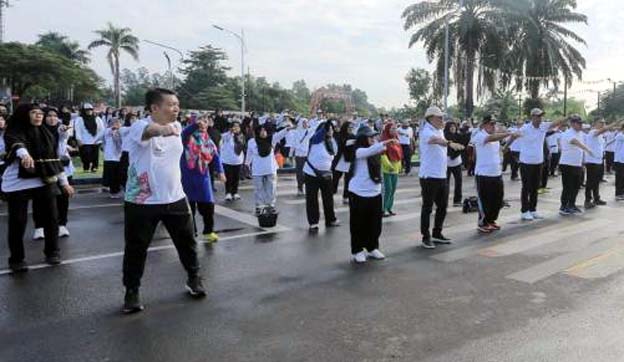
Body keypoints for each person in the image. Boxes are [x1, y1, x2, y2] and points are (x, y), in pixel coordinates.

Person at [122, 88, 206, 314]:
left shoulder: (177, 127)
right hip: (141, 201)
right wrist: (162, 129)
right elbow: (151, 131)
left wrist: (172, 128)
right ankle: (132, 291)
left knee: (187, 243)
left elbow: (172, 130)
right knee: (136, 248)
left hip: (175, 197)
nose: (176, 108)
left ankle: (194, 278)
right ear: (154, 108)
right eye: (171, 104)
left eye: (177, 104)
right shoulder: (138, 126)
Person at [3, 104, 75, 272]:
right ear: (24, 115)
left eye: (40, 113)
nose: (39, 116)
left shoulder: (46, 133)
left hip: (44, 179)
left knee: (52, 217)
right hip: (19, 182)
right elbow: (17, 143)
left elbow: (53, 159)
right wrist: (24, 154)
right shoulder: (14, 131)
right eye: (34, 113)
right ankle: (17, 259)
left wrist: (64, 183)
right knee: (18, 221)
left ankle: (53, 252)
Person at [418, 106, 464, 249]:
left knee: (443, 206)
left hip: (441, 175)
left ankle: (437, 233)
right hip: (429, 176)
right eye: (440, 117)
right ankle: (426, 237)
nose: (442, 120)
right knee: (427, 207)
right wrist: (450, 143)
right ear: (431, 118)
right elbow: (434, 140)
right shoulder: (426, 131)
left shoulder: (439, 130)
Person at [348, 125, 395, 263]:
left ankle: (372, 247)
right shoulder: (358, 150)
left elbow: (381, 150)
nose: (373, 138)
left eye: (373, 136)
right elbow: (370, 150)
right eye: (370, 136)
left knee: (375, 224)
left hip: (374, 192)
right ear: (363, 138)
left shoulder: (374, 149)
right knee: (358, 224)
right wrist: (383, 142)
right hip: (358, 193)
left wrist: (383, 144)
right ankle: (357, 250)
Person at [32, 108, 76, 240]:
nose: (52, 118)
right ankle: (39, 227)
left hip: (63, 168)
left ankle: (62, 224)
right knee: (40, 198)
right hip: (44, 169)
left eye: (55, 116)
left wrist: (64, 132)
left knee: (63, 197)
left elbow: (63, 139)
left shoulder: (60, 129)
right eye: (49, 116)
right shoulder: (37, 131)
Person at [181, 115, 226, 243]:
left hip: (203, 178)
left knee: (208, 206)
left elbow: (216, 156)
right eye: (200, 122)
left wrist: (220, 171)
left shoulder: (208, 140)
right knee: (189, 209)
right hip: (187, 178)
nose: (203, 124)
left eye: (205, 122)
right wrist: (195, 124)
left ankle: (208, 231)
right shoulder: (186, 138)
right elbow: (186, 132)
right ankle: (191, 233)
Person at [513, 109, 562, 221]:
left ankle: (533, 210)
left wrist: (568, 118)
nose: (540, 118)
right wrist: (506, 147)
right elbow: (513, 136)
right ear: (532, 117)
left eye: (541, 116)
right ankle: (524, 211)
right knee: (526, 187)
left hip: (538, 162)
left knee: (535, 187)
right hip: (526, 162)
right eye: (538, 116)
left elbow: (556, 123)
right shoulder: (525, 128)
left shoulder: (543, 127)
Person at [473, 115, 518, 233]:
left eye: (494, 124)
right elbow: (491, 138)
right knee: (485, 200)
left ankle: (491, 220)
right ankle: (483, 222)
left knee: (497, 199)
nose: (493, 126)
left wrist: (512, 138)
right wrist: (508, 133)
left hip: (496, 172)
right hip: (483, 174)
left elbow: (503, 149)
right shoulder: (480, 136)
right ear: (484, 125)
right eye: (491, 124)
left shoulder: (496, 139)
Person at [246, 122, 291, 215]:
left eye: (265, 130)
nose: (263, 132)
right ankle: (259, 206)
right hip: (257, 170)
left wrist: (287, 129)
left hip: (270, 168)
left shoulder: (271, 139)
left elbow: (279, 135)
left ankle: (270, 205)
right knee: (259, 189)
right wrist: (246, 164)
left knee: (271, 188)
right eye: (261, 130)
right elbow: (249, 154)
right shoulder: (252, 142)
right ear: (257, 132)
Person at [303, 121, 340, 230]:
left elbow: (334, 153)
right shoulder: (315, 139)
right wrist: (328, 123)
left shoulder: (332, 142)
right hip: (311, 174)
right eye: (329, 129)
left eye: (332, 129)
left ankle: (331, 219)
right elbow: (321, 132)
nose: (331, 131)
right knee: (312, 199)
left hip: (326, 174)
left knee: (328, 198)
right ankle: (313, 222)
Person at [558, 115, 594, 215]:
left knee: (576, 186)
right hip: (567, 164)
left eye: (581, 123)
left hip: (577, 164)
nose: (581, 125)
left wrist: (582, 162)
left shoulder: (580, 133)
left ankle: (572, 205)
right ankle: (563, 206)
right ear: (573, 124)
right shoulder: (568, 133)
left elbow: (579, 149)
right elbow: (575, 142)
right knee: (568, 186)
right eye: (579, 123)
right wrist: (587, 149)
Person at [583, 118, 615, 209]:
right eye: (601, 122)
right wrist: (615, 123)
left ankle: (596, 198)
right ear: (595, 123)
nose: (603, 124)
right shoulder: (592, 132)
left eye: (604, 122)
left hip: (598, 161)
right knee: (590, 181)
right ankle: (587, 200)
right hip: (591, 161)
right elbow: (604, 129)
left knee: (596, 181)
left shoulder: (601, 135)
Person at [74, 103, 105, 173]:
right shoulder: (80, 119)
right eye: (87, 110)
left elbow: (102, 129)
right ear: (84, 111)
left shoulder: (97, 118)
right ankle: (86, 167)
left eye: (91, 110)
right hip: (84, 140)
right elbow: (77, 130)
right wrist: (78, 139)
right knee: (86, 154)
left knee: (95, 155)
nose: (89, 111)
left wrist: (99, 138)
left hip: (96, 140)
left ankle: (95, 167)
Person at [380, 122, 403, 217]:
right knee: (387, 189)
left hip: (396, 168)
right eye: (392, 128)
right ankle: (383, 209)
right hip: (387, 169)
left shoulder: (396, 139)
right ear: (388, 130)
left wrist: (399, 166)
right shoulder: (384, 139)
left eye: (395, 128)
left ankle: (389, 208)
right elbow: (382, 154)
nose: (395, 130)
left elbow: (399, 154)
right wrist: (388, 165)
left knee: (393, 190)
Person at [220, 120, 245, 201]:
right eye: (234, 126)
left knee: (236, 178)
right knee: (228, 178)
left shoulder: (241, 136)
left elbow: (242, 147)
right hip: (227, 161)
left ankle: (235, 192)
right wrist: (231, 132)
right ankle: (228, 193)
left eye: (237, 126)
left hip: (238, 161)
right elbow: (223, 137)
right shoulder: (227, 135)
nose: (236, 128)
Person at [332, 121, 356, 205]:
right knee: (335, 178)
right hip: (339, 160)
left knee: (348, 180)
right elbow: (338, 146)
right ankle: (332, 193)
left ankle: (346, 197)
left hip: (349, 161)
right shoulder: (339, 135)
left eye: (352, 128)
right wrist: (346, 143)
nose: (350, 129)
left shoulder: (353, 136)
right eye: (349, 127)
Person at [102, 118, 124, 198]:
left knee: (118, 175)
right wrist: (114, 130)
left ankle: (117, 190)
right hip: (110, 157)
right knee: (112, 176)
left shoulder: (120, 132)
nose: (117, 125)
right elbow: (108, 135)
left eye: (118, 123)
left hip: (118, 157)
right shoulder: (107, 131)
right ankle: (113, 191)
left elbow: (120, 143)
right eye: (115, 123)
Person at [444, 121, 463, 207]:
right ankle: (444, 202)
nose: (453, 128)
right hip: (446, 163)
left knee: (459, 182)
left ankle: (457, 201)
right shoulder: (444, 136)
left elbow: (462, 146)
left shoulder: (459, 136)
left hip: (457, 162)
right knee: (445, 183)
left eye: (454, 126)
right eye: (451, 127)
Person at [293, 118, 312, 196]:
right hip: (299, 155)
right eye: (304, 123)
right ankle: (300, 188)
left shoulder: (309, 132)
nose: (305, 124)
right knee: (299, 172)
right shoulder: (296, 132)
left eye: (306, 122)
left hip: (307, 155)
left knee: (308, 172)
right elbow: (295, 143)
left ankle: (308, 187)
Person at [613, 125, 624, 200]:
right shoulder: (620, 136)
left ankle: (621, 193)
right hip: (619, 160)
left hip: (622, 160)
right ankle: (618, 194)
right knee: (620, 178)